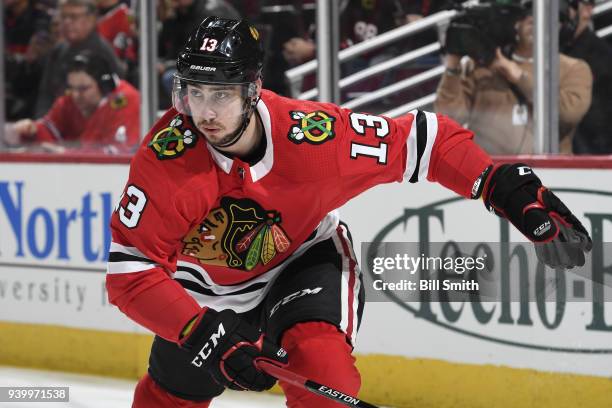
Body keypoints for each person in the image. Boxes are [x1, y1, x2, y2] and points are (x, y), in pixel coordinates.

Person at [106, 16, 592, 408]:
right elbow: (130, 271)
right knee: (167, 400)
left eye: (221, 94)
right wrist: (201, 331)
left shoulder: (314, 138)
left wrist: (502, 187)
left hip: (300, 264)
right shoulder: (167, 157)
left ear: (253, 90)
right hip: (206, 288)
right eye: (194, 92)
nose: (205, 112)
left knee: (323, 370)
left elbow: (428, 141)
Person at [434, 0, 592, 154]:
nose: (537, 24)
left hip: (549, 173)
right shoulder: (479, 65)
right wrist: (453, 66)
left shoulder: (575, 69)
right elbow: (450, 119)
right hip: (489, 171)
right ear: (516, 24)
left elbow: (569, 113)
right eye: (530, 18)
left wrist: (520, 77)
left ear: (563, 29)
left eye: (551, 20)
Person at [5, 51, 140, 154]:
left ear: (105, 86)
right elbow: (50, 128)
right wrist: (33, 130)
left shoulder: (125, 101)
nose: (75, 95)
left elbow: (118, 152)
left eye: (83, 89)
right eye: (71, 88)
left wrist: (66, 154)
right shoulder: (70, 100)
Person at [34, 0, 125, 117]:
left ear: (91, 19)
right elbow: (46, 94)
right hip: (56, 124)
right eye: (63, 16)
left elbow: (115, 101)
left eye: (74, 17)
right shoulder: (58, 51)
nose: (67, 22)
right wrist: (43, 124)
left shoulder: (103, 54)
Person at [563, 0, 612, 154]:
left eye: (568, 5)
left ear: (587, 10)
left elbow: (600, 126)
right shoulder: (543, 53)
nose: (561, 14)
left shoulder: (603, 57)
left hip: (588, 162)